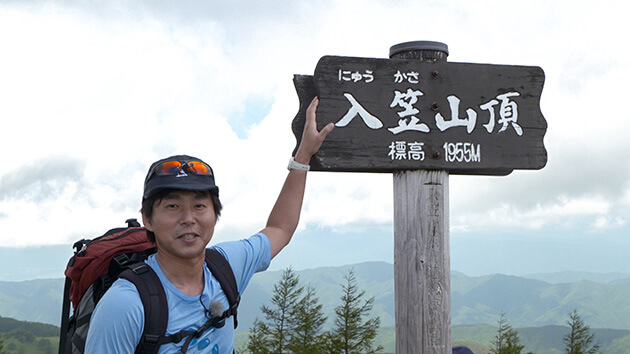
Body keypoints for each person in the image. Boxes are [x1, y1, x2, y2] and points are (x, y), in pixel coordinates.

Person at [85, 97, 334, 353]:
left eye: (199, 206)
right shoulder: (124, 305)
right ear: (148, 219)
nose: (188, 218)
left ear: (215, 214)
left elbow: (280, 229)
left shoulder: (225, 266)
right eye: (172, 206)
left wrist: (303, 154)